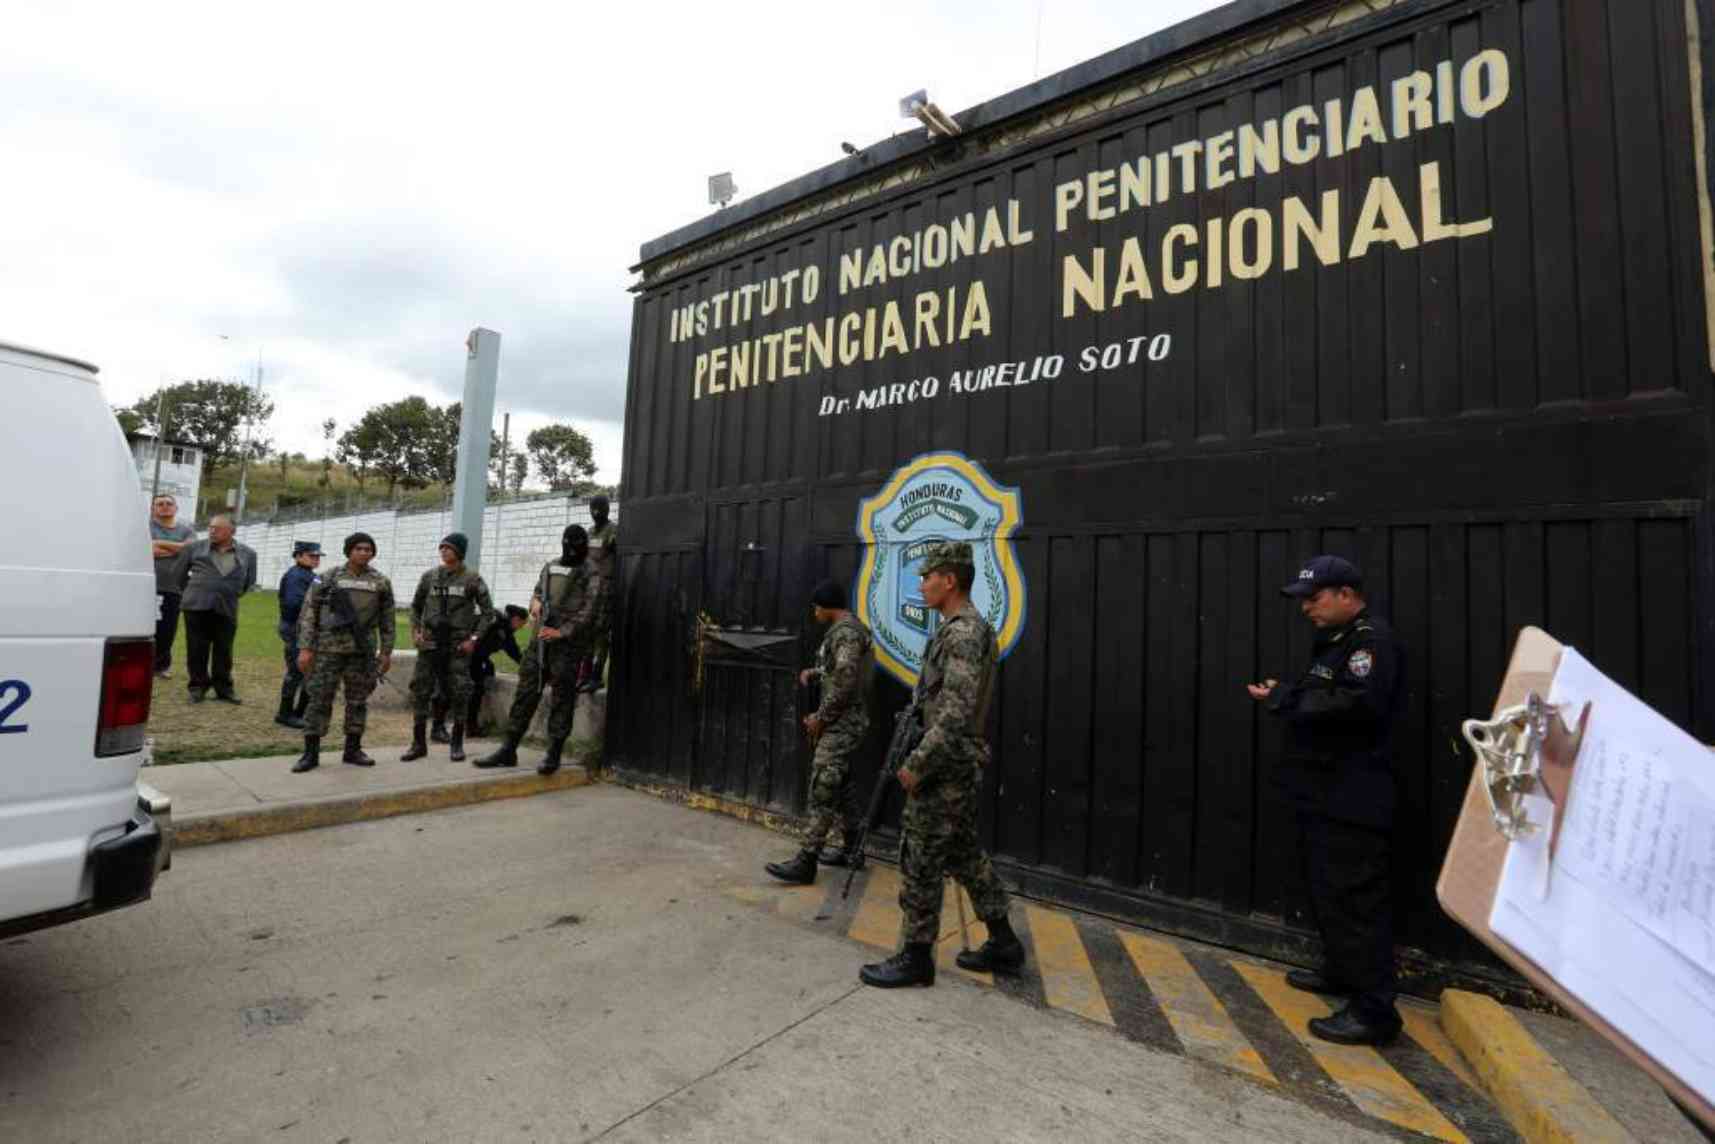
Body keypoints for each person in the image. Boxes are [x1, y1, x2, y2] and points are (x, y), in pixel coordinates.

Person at [1247, 555, 1407, 1046]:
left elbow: (1355, 705)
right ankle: (1342, 972)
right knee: (1330, 894)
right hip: (1326, 793)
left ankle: (1375, 1012)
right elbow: (1327, 695)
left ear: (1345, 594)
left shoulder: (1370, 642)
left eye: (1313, 598)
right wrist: (1290, 692)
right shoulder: (1336, 643)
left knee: (1357, 903)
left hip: (1356, 798)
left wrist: (1285, 701)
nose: (1306, 608)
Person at [859, 541, 1025, 989]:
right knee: (964, 853)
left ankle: (916, 956)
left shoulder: (964, 634)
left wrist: (918, 763)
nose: (921, 583)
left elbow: (955, 711)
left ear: (949, 580)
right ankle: (1005, 942)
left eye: (927, 576)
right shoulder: (955, 629)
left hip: (944, 766)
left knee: (921, 856)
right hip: (953, 761)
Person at [765, 579, 871, 884]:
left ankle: (806, 861)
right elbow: (839, 671)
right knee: (842, 784)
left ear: (825, 607)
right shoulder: (845, 632)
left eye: (816, 607)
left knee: (823, 786)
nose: (814, 612)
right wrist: (816, 672)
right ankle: (853, 849)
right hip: (843, 720)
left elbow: (847, 680)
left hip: (842, 723)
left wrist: (820, 718)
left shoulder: (847, 633)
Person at [476, 524, 596, 776]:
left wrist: (561, 631)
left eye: (576, 545)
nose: (570, 550)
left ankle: (553, 753)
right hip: (539, 643)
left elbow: (589, 611)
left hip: (567, 647)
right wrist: (536, 604)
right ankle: (508, 749)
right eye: (567, 544)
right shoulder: (551, 565)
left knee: (562, 700)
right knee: (525, 694)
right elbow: (537, 592)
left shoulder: (590, 572)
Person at [293, 532, 396, 773]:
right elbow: (309, 614)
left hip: (362, 652)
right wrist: (305, 648)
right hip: (327, 649)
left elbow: (387, 620)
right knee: (319, 699)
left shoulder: (381, 582)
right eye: (359, 548)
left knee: (358, 701)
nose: (363, 552)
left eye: (368, 549)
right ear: (349, 551)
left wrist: (386, 652)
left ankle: (353, 749)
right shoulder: (327, 578)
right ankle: (310, 753)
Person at [401, 533, 494, 764]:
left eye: (449, 548)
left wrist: (473, 638)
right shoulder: (429, 577)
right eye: (442, 547)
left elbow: (488, 613)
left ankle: (457, 743)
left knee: (460, 692)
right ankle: (418, 743)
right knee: (421, 690)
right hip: (430, 644)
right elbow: (415, 607)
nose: (444, 551)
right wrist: (415, 631)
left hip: (457, 646)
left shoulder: (472, 579)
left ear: (460, 552)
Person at [177, 514, 258, 704]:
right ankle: (198, 687)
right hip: (196, 606)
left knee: (224, 649)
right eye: (211, 527)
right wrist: (194, 592)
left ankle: (224, 689)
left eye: (218, 528)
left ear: (232, 531)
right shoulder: (194, 548)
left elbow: (249, 581)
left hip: (227, 606)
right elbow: (179, 576)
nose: (212, 531)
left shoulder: (248, 554)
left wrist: (228, 592)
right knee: (196, 648)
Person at [434, 604, 528, 738]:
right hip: (461, 655)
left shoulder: (504, 629)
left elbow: (514, 652)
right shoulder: (494, 622)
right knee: (456, 689)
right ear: (516, 619)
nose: (521, 628)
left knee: (477, 688)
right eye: (522, 624)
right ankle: (442, 727)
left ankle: (469, 727)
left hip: (475, 658)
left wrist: (528, 668)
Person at [275, 541, 322, 728]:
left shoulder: (309, 575)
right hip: (296, 628)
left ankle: (300, 711)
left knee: (307, 671)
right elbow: (295, 605)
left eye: (318, 556)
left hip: (305, 628)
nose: (316, 559)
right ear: (298, 556)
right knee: (297, 671)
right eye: (312, 556)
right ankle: (285, 713)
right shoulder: (296, 576)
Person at [148, 494, 196, 679]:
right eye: (160, 504)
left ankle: (161, 666)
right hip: (149, 586)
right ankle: (147, 664)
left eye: (169, 504)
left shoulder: (186, 530)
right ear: (153, 509)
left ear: (176, 508)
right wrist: (177, 549)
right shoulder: (146, 528)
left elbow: (191, 551)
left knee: (168, 628)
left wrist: (158, 543)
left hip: (175, 587)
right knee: (148, 626)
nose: (165, 507)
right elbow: (146, 549)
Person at [578, 495, 617, 693]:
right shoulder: (589, 532)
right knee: (586, 632)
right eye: (593, 508)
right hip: (590, 592)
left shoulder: (613, 531)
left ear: (607, 509)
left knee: (601, 634)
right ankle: (584, 674)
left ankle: (596, 676)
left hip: (606, 592)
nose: (595, 512)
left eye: (599, 508)